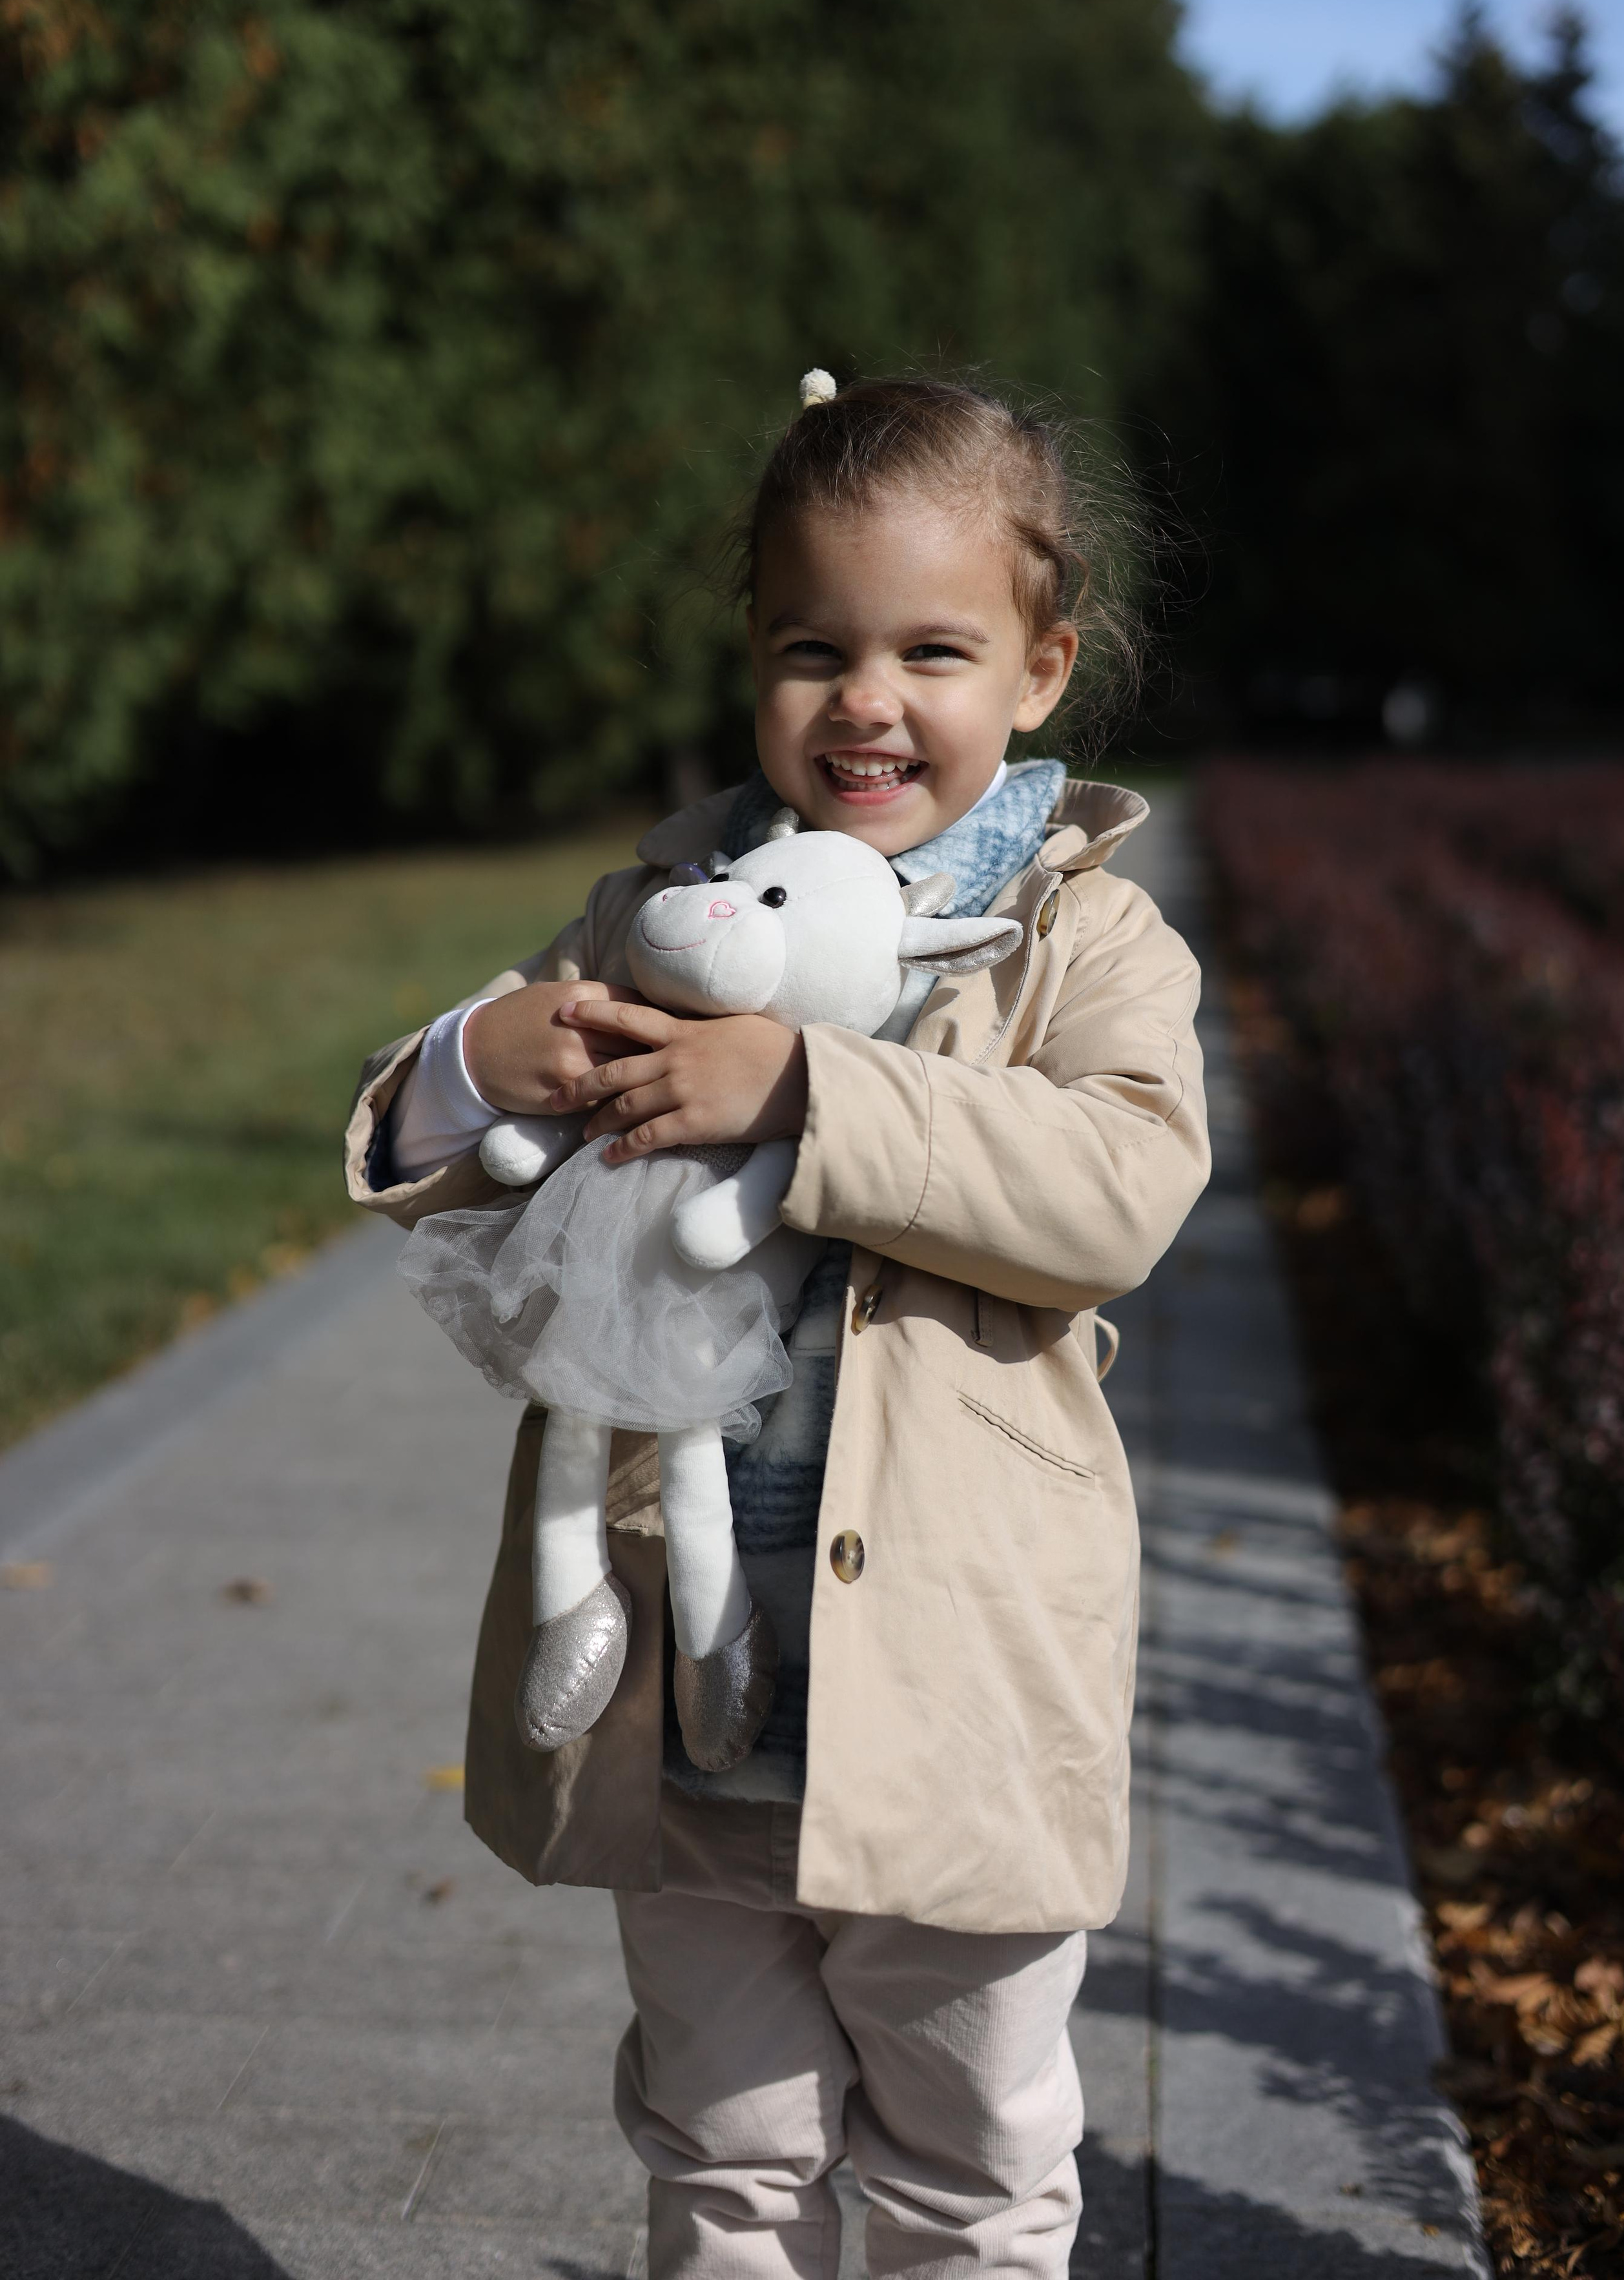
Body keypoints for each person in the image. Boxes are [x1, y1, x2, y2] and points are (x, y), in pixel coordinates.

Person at [343, 372, 1210, 2279]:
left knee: (971, 2170)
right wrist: (474, 1064)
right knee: (725, 2153)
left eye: (934, 649)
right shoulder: (658, 914)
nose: (868, 701)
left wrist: (808, 1092)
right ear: (756, 654)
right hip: (694, 1695)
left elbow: (1117, 1190)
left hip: (963, 1696)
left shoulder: (1085, 938)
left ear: (1043, 672)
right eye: (814, 647)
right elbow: (448, 1158)